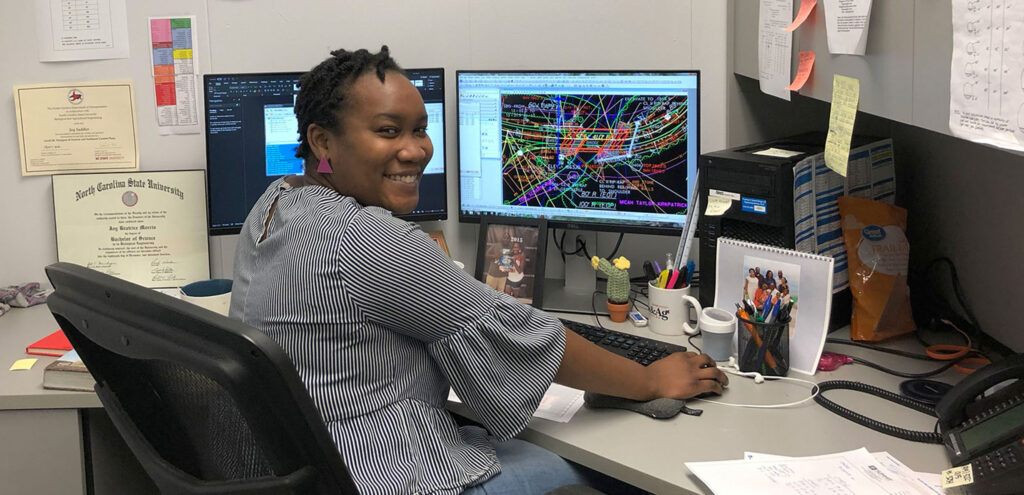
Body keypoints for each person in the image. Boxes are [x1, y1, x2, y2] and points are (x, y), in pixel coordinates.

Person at [230, 46, 726, 495]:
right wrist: (651, 381)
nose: (416, 149)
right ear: (322, 141)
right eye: (387, 131)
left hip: (314, 467)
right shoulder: (369, 239)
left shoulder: (276, 201)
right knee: (617, 477)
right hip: (391, 475)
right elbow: (531, 340)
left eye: (420, 129)